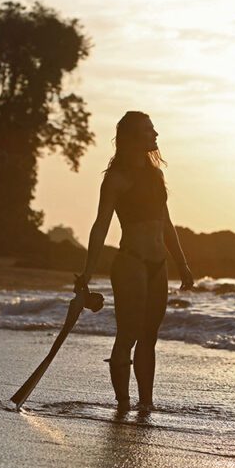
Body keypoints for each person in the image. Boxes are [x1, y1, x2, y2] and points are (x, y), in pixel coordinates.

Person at [76, 111, 194, 411]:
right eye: (148, 130)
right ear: (131, 137)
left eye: (153, 128)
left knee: (149, 338)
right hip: (130, 262)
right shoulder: (117, 179)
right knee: (128, 334)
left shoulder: (156, 175)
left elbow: (166, 223)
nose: (155, 134)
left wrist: (182, 263)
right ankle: (123, 403)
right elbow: (101, 224)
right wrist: (87, 273)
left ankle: (146, 404)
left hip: (158, 266)